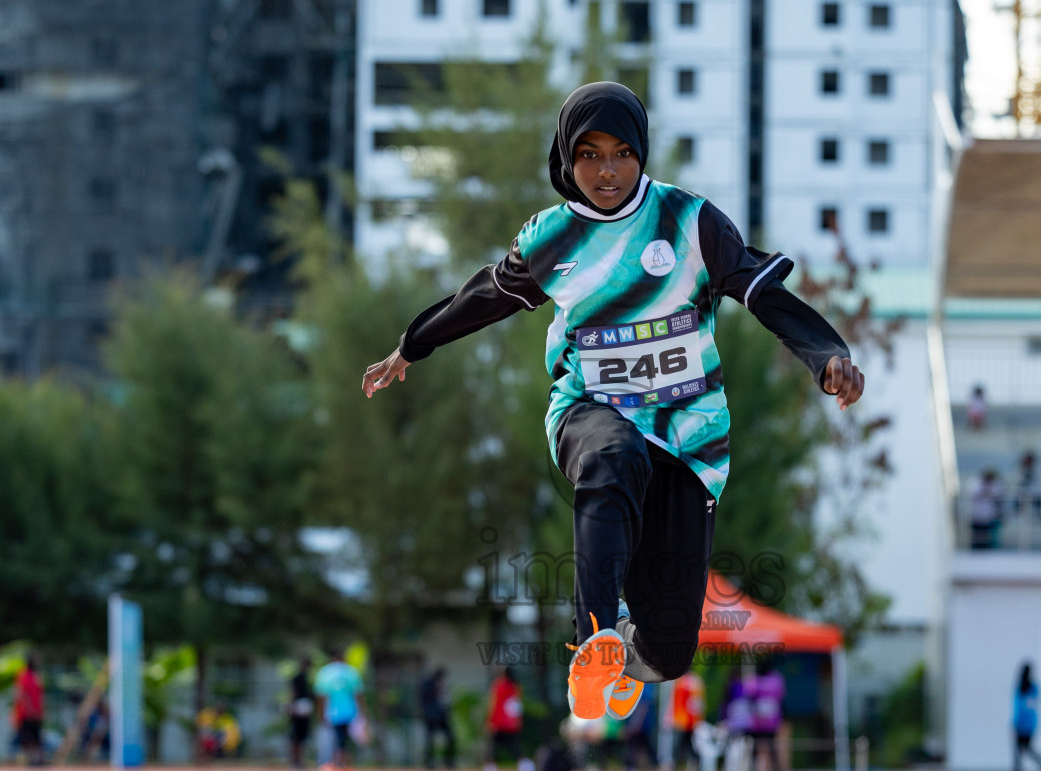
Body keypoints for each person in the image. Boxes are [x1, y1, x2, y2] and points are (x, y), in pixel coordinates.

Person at [361, 82, 863, 725]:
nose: (607, 171)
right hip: (589, 409)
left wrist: (825, 355)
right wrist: (411, 345)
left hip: (687, 430)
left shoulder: (688, 221)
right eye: (590, 155)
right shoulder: (552, 237)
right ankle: (594, 636)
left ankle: (627, 647)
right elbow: (482, 296)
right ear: (566, 160)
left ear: (642, 154)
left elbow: (759, 288)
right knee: (613, 455)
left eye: (622, 154)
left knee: (673, 649)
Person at [314, 649, 365, 771]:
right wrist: (362, 712)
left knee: (336, 738)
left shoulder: (325, 672)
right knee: (344, 739)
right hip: (350, 712)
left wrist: (320, 713)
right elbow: (358, 695)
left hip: (333, 712)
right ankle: (342, 764)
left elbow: (321, 696)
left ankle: (338, 764)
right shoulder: (351, 672)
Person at [743, 659, 786, 771]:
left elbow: (749, 698)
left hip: (762, 721)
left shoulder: (755, 680)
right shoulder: (776, 680)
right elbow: (780, 700)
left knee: (763, 750)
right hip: (763, 721)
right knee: (763, 750)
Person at [1010, 663, 1041, 771]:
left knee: (1021, 752)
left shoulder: (1021, 687)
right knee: (1026, 751)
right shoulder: (1034, 688)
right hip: (1030, 725)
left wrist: (1015, 723)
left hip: (1021, 724)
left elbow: (1018, 707)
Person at [483, 667, 524, 771]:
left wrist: (490, 721)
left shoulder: (499, 685)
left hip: (499, 723)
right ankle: (526, 769)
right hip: (511, 723)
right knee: (515, 748)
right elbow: (516, 706)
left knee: (491, 749)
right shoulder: (516, 687)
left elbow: (494, 704)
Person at [665, 670, 705, 771]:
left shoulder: (681, 683)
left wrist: (670, 717)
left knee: (678, 747)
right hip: (690, 721)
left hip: (681, 720)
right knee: (689, 746)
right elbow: (698, 704)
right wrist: (698, 719)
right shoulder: (696, 683)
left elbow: (674, 702)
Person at [419, 667, 455, 770]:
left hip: (442, 716)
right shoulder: (428, 685)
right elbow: (424, 701)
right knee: (430, 740)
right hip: (431, 716)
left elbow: (445, 702)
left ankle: (448, 761)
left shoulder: (442, 685)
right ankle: (429, 762)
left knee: (450, 738)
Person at [13, 653, 45, 767]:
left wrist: (41, 710)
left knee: (37, 737)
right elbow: (22, 694)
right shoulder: (24, 675)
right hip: (26, 713)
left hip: (36, 712)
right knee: (26, 737)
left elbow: (40, 694)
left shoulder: (36, 676)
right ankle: (30, 758)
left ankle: (38, 759)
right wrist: (29, 709)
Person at [287, 657, 315, 770]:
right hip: (300, 707)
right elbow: (293, 692)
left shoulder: (307, 678)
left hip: (303, 707)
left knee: (300, 736)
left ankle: (298, 761)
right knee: (296, 736)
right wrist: (292, 706)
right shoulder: (299, 678)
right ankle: (295, 761)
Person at [968, 469, 1004, 549]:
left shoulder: (996, 484)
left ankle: (988, 548)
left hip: (989, 515)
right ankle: (976, 548)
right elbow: (973, 494)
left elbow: (998, 495)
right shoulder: (976, 483)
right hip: (977, 515)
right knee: (977, 535)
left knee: (988, 535)